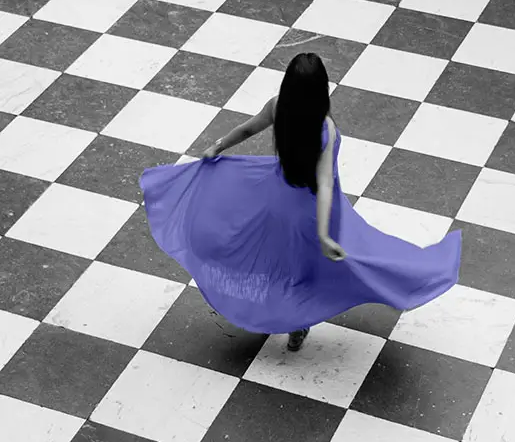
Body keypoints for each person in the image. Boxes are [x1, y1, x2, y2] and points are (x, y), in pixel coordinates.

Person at [141, 53, 461, 352]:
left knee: (277, 258)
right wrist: (323, 234)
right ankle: (300, 322)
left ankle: (280, 315)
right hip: (311, 212)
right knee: (333, 263)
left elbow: (248, 128)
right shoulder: (326, 128)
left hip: (277, 198)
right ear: (321, 91)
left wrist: (218, 146)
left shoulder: (277, 105)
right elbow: (324, 184)